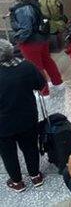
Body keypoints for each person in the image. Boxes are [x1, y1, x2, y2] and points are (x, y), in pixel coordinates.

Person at [0, 39, 46, 193]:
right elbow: (41, 84)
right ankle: (35, 176)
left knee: (8, 153)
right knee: (30, 147)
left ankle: (17, 182)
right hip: (27, 117)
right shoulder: (26, 66)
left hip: (3, 125)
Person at [4, 0, 62, 96]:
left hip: (30, 43)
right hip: (43, 37)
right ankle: (58, 83)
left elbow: (26, 29)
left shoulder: (21, 9)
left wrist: (18, 39)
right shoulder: (33, 0)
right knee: (47, 61)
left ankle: (44, 93)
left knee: (36, 68)